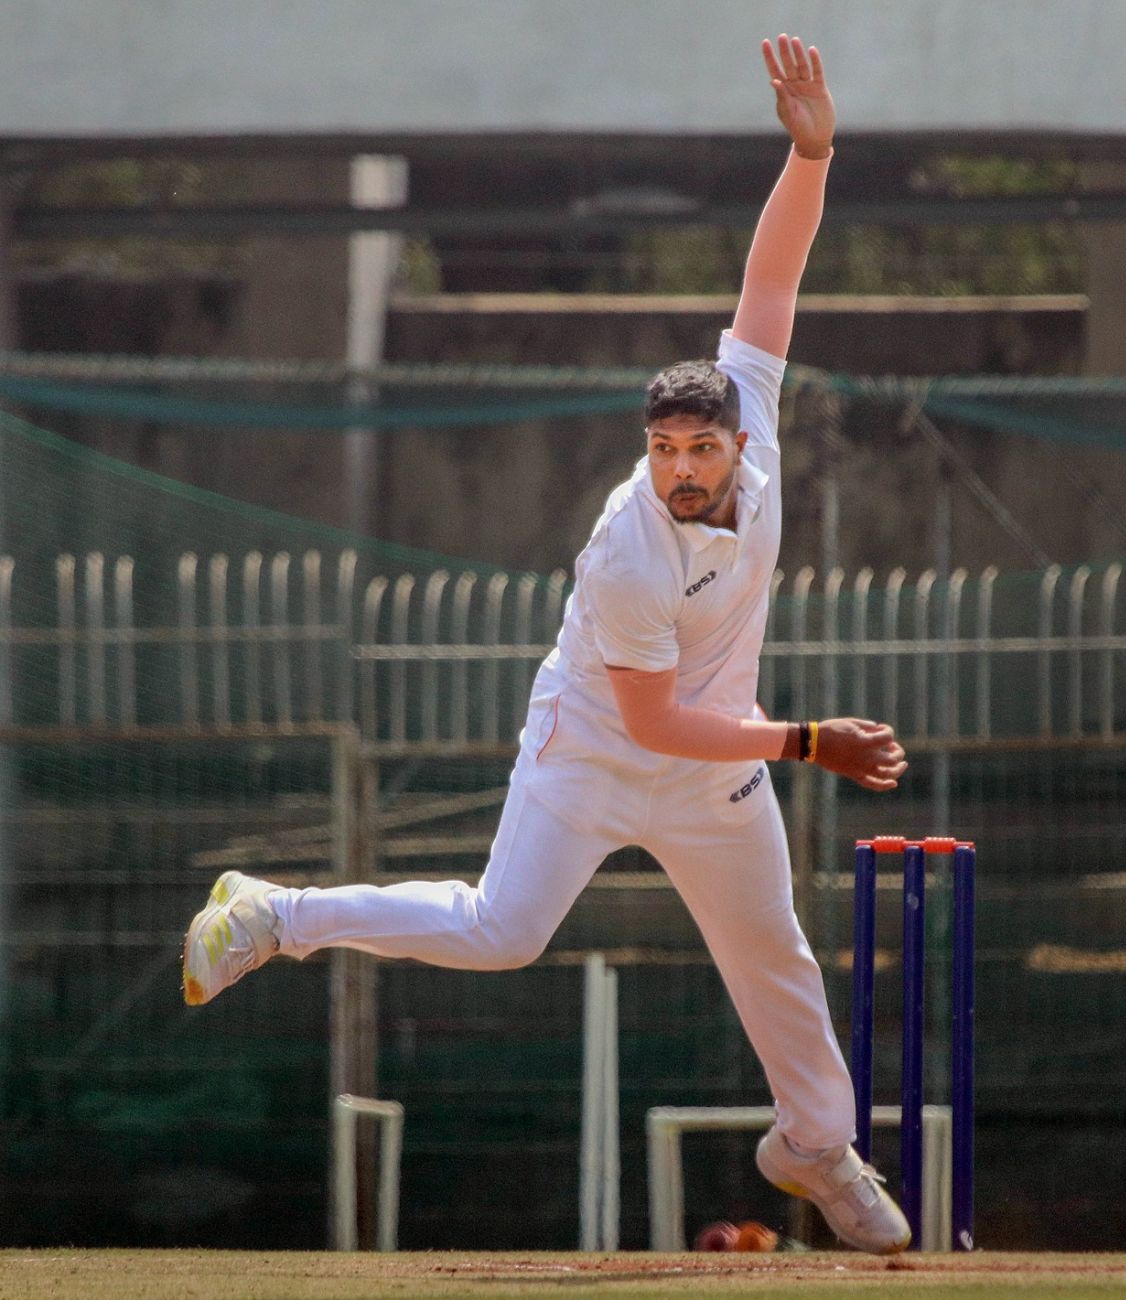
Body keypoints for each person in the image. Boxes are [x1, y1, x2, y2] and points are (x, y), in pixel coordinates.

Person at [183, 35, 911, 1254]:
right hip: (597, 746)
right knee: (501, 932)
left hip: (712, 771)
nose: (681, 470)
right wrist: (805, 739)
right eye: (664, 451)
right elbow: (651, 721)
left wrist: (811, 149)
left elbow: (771, 281)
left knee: (777, 961)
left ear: (736, 440)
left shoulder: (759, 423)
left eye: (701, 451)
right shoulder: (625, 546)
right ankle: (272, 911)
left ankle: (811, 1153)